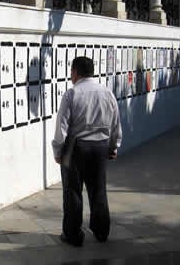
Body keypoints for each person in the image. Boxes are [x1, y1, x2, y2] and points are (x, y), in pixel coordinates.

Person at [52, 56, 122, 247]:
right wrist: (113, 146)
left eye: (71, 71)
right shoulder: (107, 93)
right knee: (98, 189)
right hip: (100, 147)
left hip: (76, 148)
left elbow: (62, 127)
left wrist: (58, 150)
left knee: (73, 191)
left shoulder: (72, 94)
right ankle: (101, 231)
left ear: (75, 72)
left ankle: (73, 235)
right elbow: (115, 122)